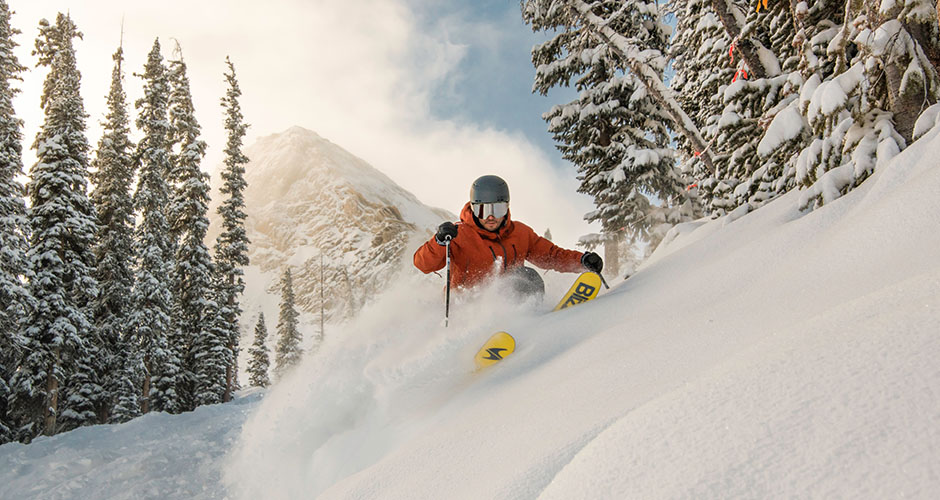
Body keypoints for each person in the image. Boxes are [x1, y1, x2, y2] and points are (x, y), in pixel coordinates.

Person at [413, 175, 603, 300]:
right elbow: (423, 264)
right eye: (483, 210)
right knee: (518, 279)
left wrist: (581, 260)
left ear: (507, 207)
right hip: (466, 305)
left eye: (497, 209)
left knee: (526, 277)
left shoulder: (520, 233)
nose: (490, 217)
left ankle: (530, 321)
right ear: (473, 208)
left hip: (508, 303)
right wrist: (439, 242)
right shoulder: (458, 234)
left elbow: (551, 256)